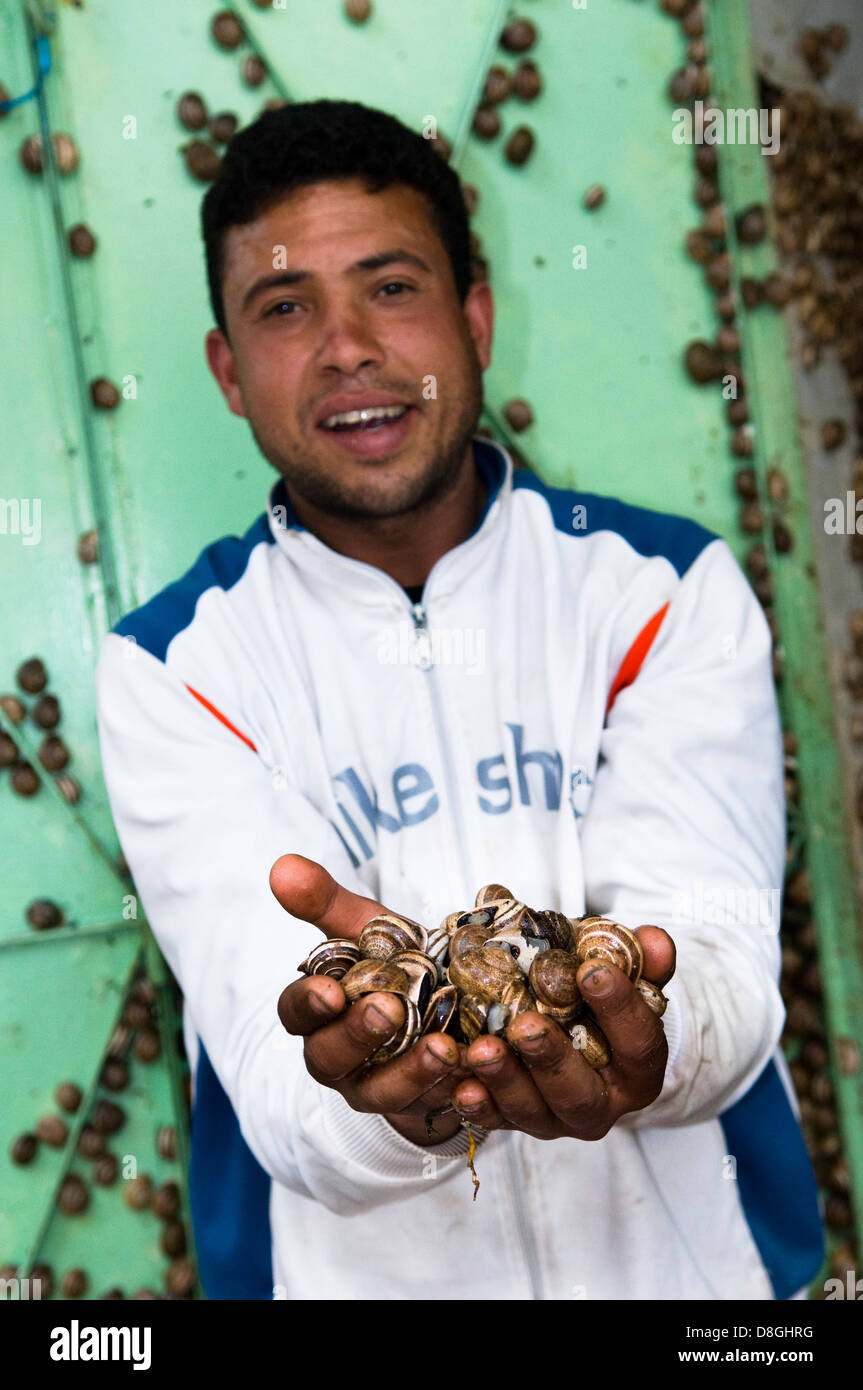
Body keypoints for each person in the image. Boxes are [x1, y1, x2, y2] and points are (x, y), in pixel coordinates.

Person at [96, 98, 824, 1301]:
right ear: (227, 369)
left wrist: (646, 1031)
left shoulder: (660, 590)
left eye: (390, 287)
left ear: (475, 314)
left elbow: (720, 966)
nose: (346, 349)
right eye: (285, 308)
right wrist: (404, 1099)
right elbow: (280, 1090)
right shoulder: (173, 665)